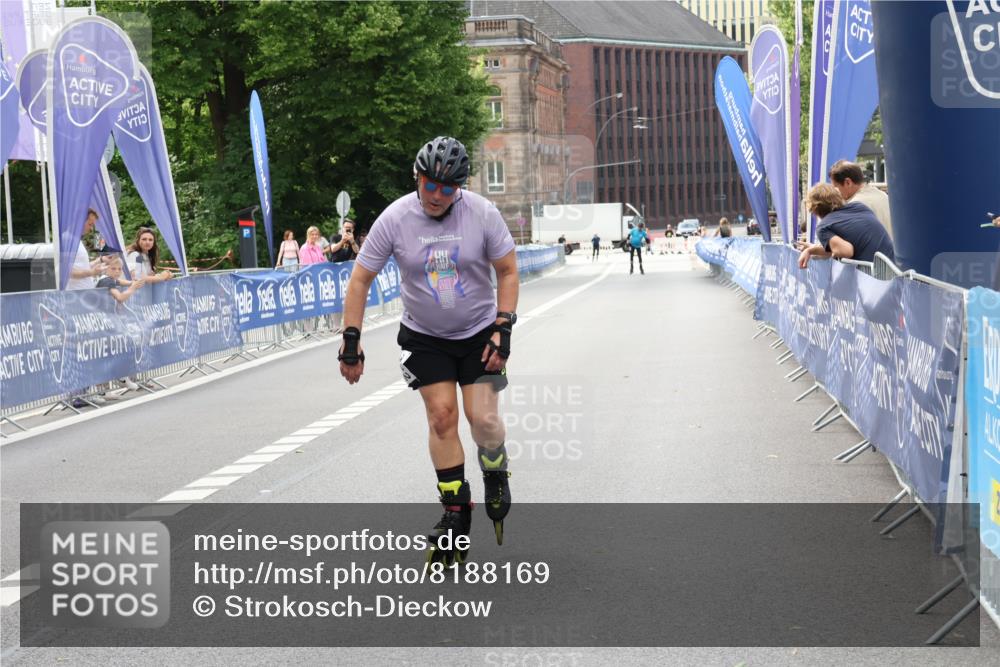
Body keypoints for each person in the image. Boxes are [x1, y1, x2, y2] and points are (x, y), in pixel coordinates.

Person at [338, 136, 518, 564]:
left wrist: (503, 327)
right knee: (442, 417)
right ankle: (455, 511)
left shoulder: (482, 213)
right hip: (424, 335)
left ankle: (494, 467)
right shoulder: (395, 218)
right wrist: (351, 339)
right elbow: (360, 279)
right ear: (416, 177)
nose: (436, 195)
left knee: (484, 420)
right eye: (429, 184)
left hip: (478, 331)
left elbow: (507, 271)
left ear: (460, 187)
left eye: (447, 188)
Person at [797, 183, 895, 268]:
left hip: (872, 278)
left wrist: (832, 254)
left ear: (814, 209)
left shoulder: (824, 226)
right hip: (892, 268)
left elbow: (846, 251)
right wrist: (812, 250)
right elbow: (849, 244)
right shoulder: (859, 206)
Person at [828, 159, 892, 238]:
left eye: (836, 187)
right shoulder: (883, 195)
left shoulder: (853, 206)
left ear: (848, 182)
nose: (836, 192)